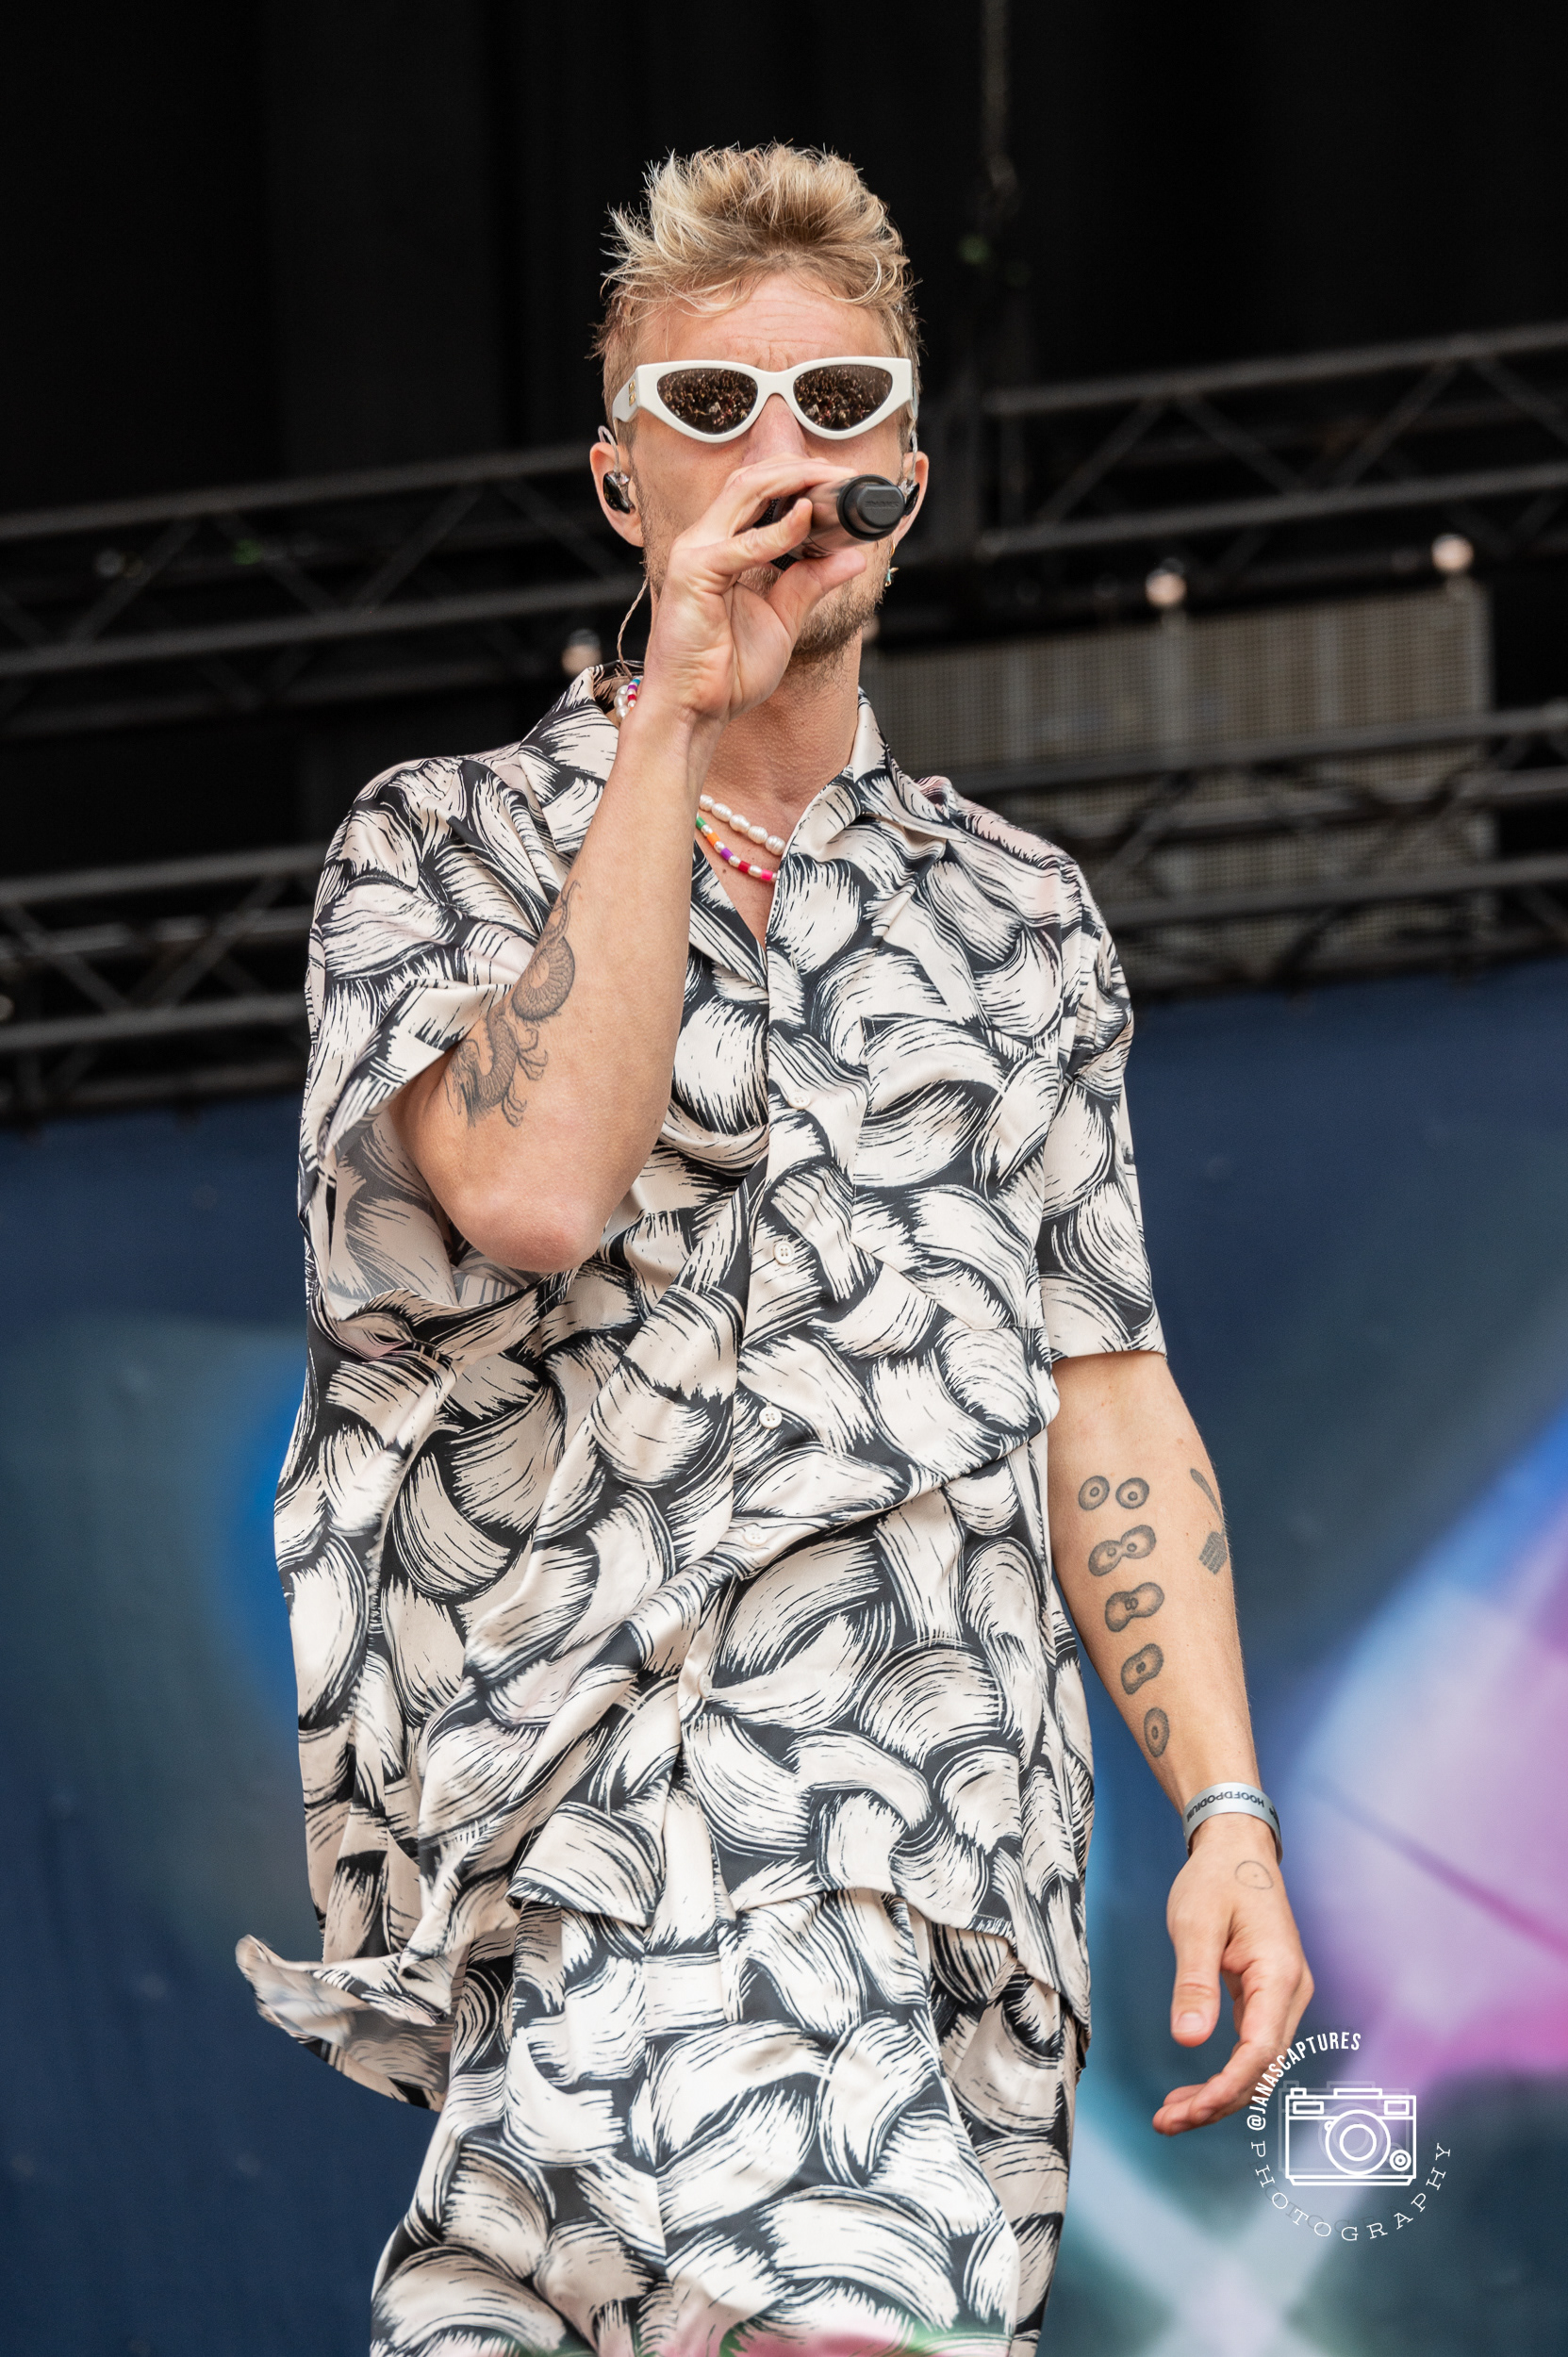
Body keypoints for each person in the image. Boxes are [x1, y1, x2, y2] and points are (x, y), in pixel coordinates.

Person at [239, 143, 1312, 2357]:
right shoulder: (443, 843)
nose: (780, 457)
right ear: (620, 479)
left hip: (950, 1865)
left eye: (837, 406)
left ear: (908, 465)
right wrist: (674, 708)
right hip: (611, 1833)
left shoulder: (1015, 916)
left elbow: (1105, 1391)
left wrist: (1224, 1806)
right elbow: (530, 1186)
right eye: (711, 411)